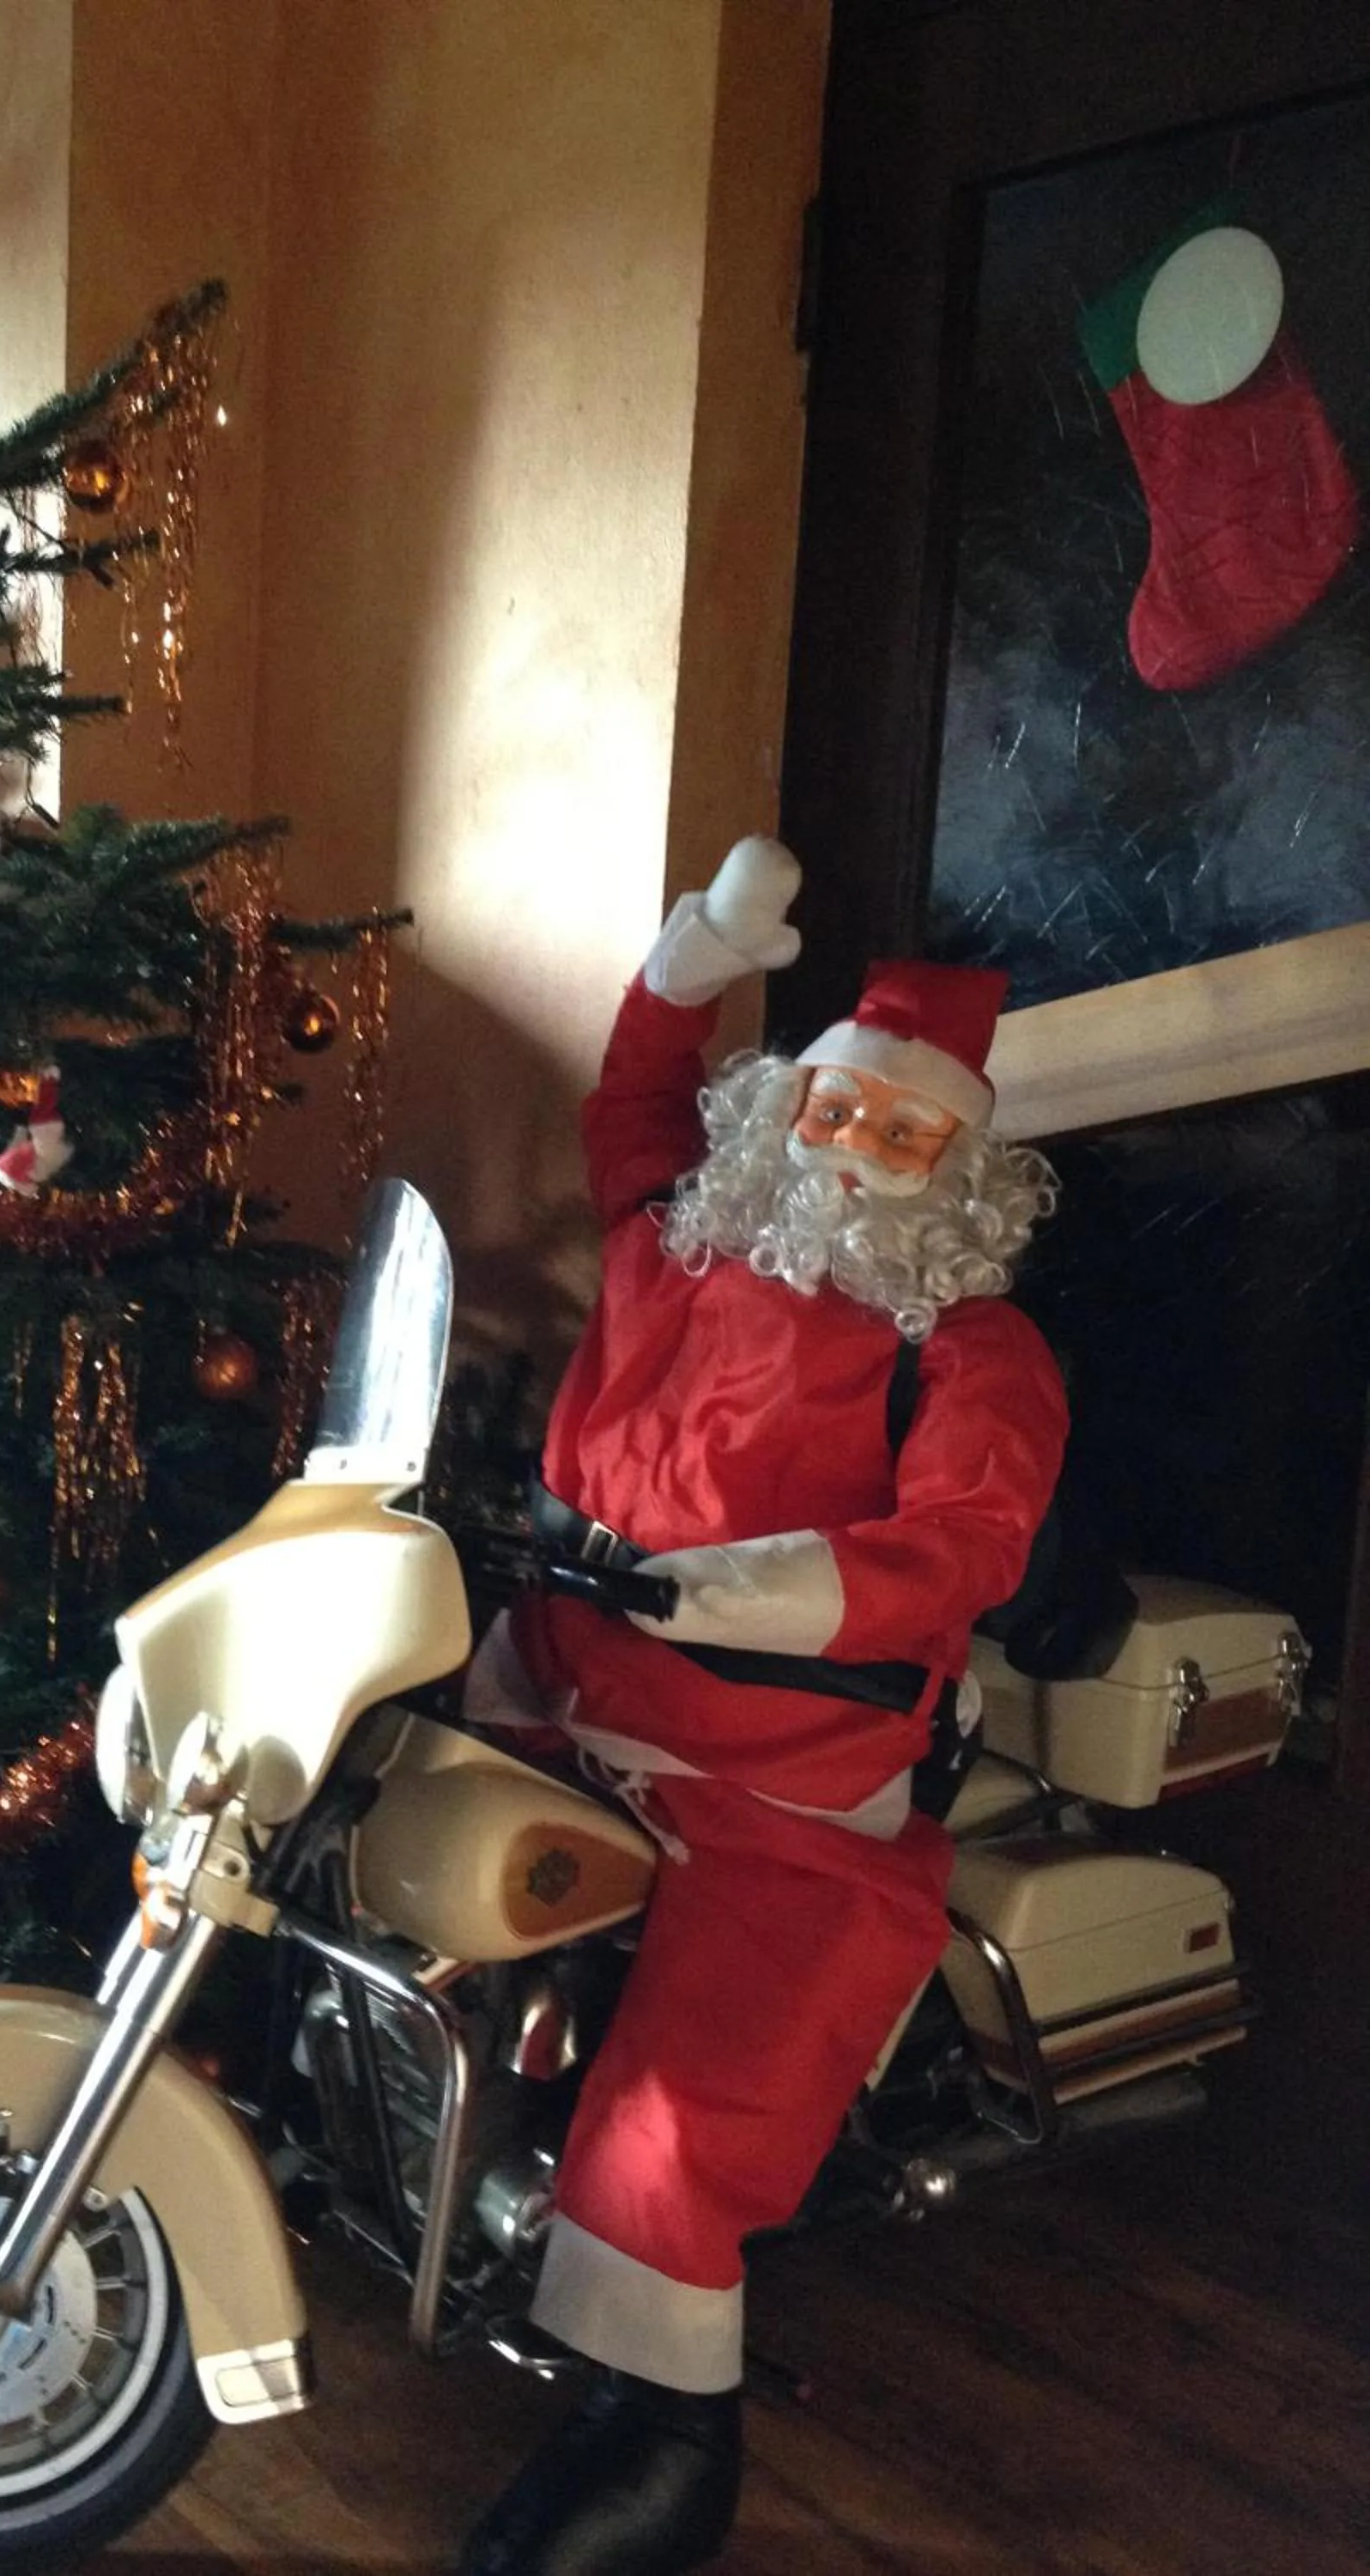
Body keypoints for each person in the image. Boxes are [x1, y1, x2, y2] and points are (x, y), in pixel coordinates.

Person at [458, 839, 1069, 2576]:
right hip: (555, 1687)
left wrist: (757, 1589)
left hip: (776, 1779)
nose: (857, 1151)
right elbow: (639, 1087)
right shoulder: (681, 1231)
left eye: (904, 1135)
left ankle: (666, 2428)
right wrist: (703, 950)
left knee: (687, 2105)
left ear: (959, 1170)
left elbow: (965, 1542)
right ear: (786, 1114)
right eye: (838, 1114)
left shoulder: (967, 1348)